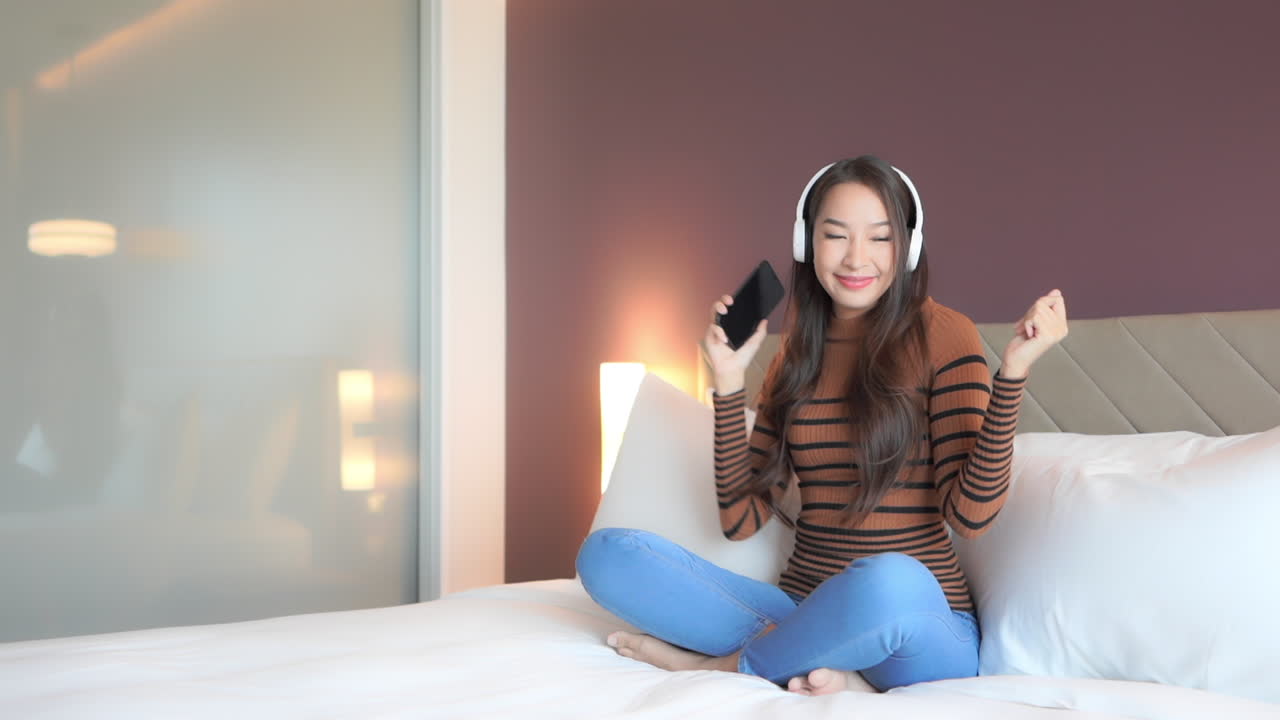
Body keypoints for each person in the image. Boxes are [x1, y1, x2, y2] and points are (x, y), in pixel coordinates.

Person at [576, 155, 1068, 695]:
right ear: (806, 245)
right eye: (836, 236)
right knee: (607, 555)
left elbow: (971, 518)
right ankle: (823, 661)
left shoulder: (946, 335)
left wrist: (1013, 374)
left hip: (919, 628)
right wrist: (729, 381)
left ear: (908, 247)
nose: (857, 258)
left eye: (879, 238)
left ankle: (722, 669)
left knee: (891, 581)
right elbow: (741, 519)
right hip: (803, 609)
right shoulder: (798, 353)